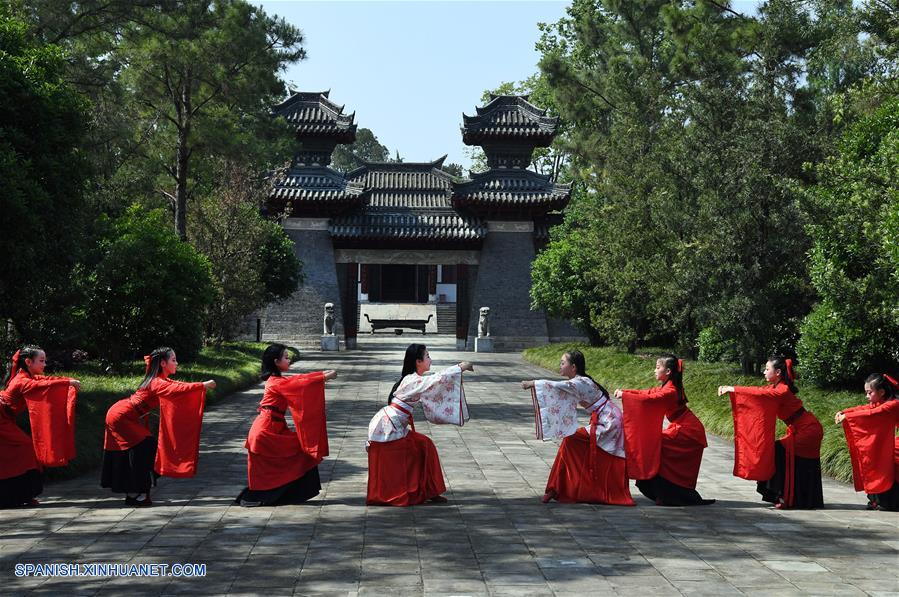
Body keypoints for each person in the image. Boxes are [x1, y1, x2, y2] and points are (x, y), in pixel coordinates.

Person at [101, 347, 215, 507]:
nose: (177, 363)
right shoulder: (156, 381)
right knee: (146, 449)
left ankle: (136, 492)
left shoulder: (159, 379)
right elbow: (177, 389)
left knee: (144, 451)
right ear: (163, 363)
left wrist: (200, 385)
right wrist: (202, 385)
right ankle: (139, 492)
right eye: (173, 360)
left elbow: (177, 385)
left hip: (123, 415)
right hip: (120, 417)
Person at [521, 349, 633, 505]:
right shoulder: (581, 381)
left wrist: (532, 383)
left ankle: (556, 488)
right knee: (574, 443)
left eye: (562, 363)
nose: (559, 365)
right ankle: (568, 488)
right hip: (606, 418)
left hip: (609, 422)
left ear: (573, 367)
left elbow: (557, 386)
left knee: (571, 441)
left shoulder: (580, 382)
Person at [366, 344, 472, 506]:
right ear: (418, 361)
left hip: (392, 424)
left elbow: (433, 384)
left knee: (425, 445)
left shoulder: (413, 379)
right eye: (427, 356)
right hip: (388, 426)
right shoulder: (412, 380)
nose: (430, 359)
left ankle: (429, 490)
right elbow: (436, 379)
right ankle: (417, 491)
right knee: (421, 447)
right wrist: (459, 367)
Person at [235, 344, 337, 507]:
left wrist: (322, 375)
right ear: (276, 361)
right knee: (297, 453)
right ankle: (257, 496)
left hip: (271, 428)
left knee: (295, 455)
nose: (289, 359)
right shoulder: (275, 382)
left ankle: (271, 495)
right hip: (266, 431)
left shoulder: (277, 380)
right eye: (286, 357)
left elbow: (298, 380)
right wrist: (323, 377)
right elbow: (300, 383)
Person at [718, 356, 824, 509]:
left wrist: (733, 389)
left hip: (808, 430)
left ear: (778, 372)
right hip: (800, 428)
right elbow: (758, 391)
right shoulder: (775, 388)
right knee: (778, 453)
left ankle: (781, 495)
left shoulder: (783, 389)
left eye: (767, 369)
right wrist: (732, 389)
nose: (764, 372)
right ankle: (785, 496)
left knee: (777, 452)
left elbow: (760, 394)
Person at [615, 355, 714, 506]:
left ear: (667, 371)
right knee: (654, 448)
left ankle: (670, 494)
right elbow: (647, 393)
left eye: (657, 367)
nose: (654, 370)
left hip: (688, 431)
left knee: (655, 447)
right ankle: (665, 492)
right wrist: (626, 392)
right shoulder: (667, 386)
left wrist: (625, 395)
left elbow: (650, 399)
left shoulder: (671, 390)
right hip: (682, 426)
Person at [1, 346, 80, 508]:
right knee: (26, 448)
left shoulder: (26, 375)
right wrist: (67, 383)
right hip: (1, 418)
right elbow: (42, 386)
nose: (45, 364)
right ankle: (20, 494)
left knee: (15, 452)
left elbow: (45, 381)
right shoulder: (23, 380)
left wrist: (66, 381)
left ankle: (19, 495)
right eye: (42, 361)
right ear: (28, 362)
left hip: (5, 418)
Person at [835, 373, 899, 511]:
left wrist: (848, 416)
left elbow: (873, 414)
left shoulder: (893, 405)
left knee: (886, 453)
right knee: (877, 452)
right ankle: (877, 499)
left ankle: (885, 501)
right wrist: (844, 411)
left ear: (881, 392)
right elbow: (865, 409)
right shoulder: (881, 402)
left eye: (869, 393)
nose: (867, 396)